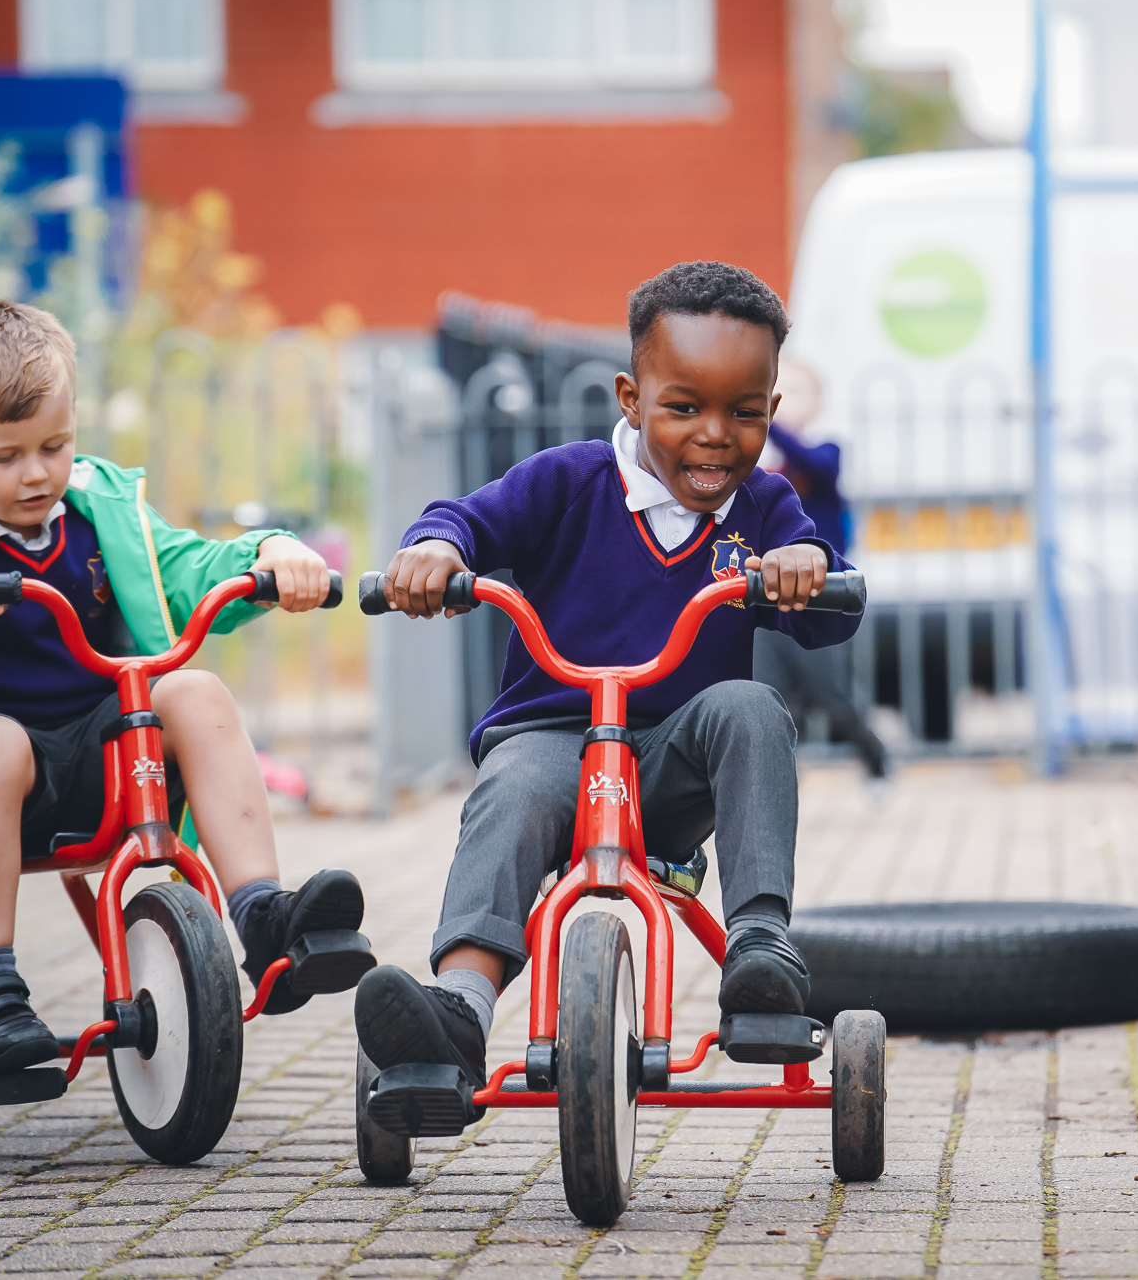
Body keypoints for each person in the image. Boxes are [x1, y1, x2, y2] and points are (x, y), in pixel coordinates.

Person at [0, 301, 370, 1080]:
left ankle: (265, 917)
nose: (38, 472)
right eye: (4, 456)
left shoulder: (98, 504)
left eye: (55, 444)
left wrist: (271, 555)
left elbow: (185, 564)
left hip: (111, 756)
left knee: (196, 691)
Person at [357, 261, 859, 1090]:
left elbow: (827, 614)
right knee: (511, 786)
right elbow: (465, 519)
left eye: (742, 413)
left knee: (749, 706)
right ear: (632, 399)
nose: (714, 435)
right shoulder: (568, 481)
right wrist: (437, 551)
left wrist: (806, 564)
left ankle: (762, 949)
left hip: (672, 764)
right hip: (555, 746)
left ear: (771, 411)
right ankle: (458, 1010)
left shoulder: (766, 508)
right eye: (684, 407)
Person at [753, 358, 888, 779]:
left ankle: (877, 761)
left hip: (819, 595)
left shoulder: (826, 452)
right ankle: (779, 779)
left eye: (791, 394)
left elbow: (812, 464)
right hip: (770, 597)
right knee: (770, 693)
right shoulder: (764, 472)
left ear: (818, 403)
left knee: (831, 693)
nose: (780, 403)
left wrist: (763, 418)